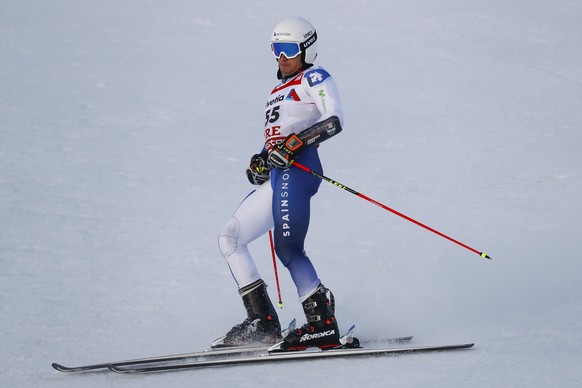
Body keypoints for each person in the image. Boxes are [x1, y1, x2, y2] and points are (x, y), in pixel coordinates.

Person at [215, 17, 344, 351]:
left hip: (300, 171)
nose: (282, 57)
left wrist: (294, 145)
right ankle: (263, 321)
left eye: (288, 49)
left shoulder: (315, 77)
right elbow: (276, 139)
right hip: (278, 175)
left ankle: (322, 323)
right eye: (276, 49)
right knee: (230, 238)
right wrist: (260, 160)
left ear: (306, 49)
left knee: (287, 247)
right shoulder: (276, 91)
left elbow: (333, 121)